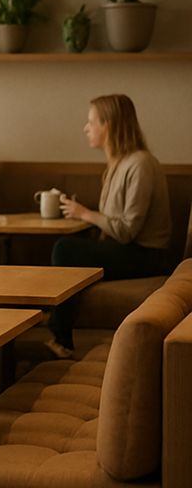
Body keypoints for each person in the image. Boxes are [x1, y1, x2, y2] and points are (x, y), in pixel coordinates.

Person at [47, 94, 171, 358]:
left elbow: (127, 231)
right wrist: (83, 216)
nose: (86, 127)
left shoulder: (140, 164)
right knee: (66, 249)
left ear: (110, 126)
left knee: (65, 250)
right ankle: (59, 337)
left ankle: (60, 337)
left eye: (91, 121)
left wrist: (85, 214)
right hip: (127, 249)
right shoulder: (117, 165)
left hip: (146, 255)